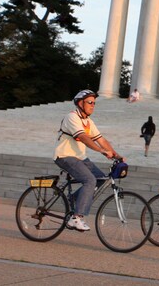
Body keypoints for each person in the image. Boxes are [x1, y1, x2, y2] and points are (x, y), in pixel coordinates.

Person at [54, 89, 123, 232]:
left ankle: (74, 200)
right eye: (90, 102)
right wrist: (101, 150)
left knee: (102, 179)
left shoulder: (88, 121)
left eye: (94, 103)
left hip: (80, 157)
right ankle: (76, 218)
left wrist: (116, 154)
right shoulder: (72, 117)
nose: (93, 105)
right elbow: (84, 138)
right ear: (80, 103)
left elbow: (101, 139)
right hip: (65, 155)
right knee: (89, 180)